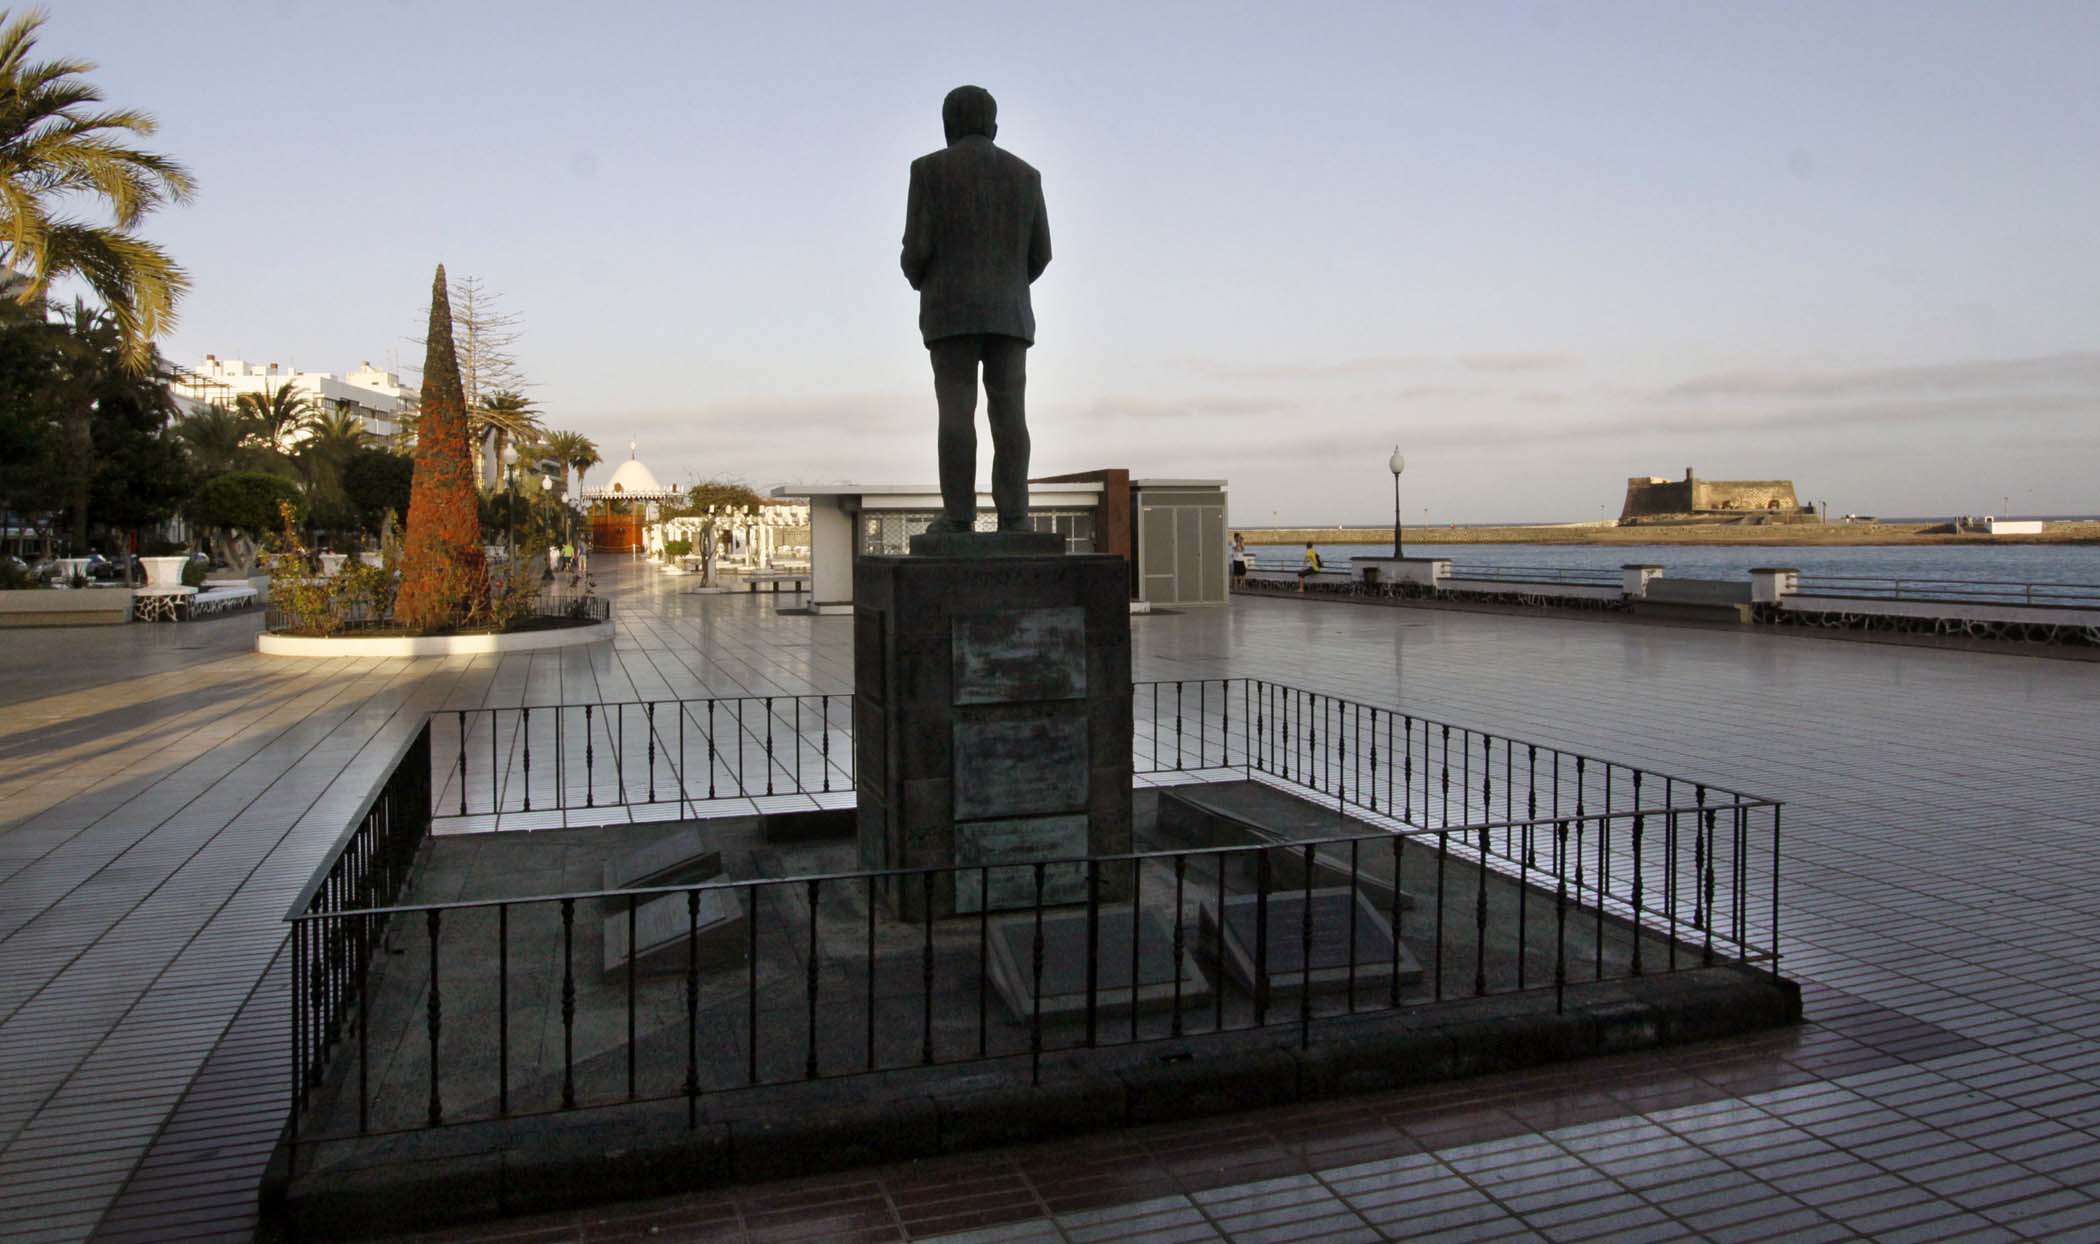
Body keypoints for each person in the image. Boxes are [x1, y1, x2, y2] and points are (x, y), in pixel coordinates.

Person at [901, 85, 1052, 533]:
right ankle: (1014, 515)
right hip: (1009, 316)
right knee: (1010, 416)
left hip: (951, 315)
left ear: (948, 125)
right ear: (994, 126)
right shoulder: (1026, 176)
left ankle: (959, 515)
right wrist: (1007, 285)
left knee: (955, 413)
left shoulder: (928, 170)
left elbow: (917, 248)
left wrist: (918, 276)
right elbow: (1040, 253)